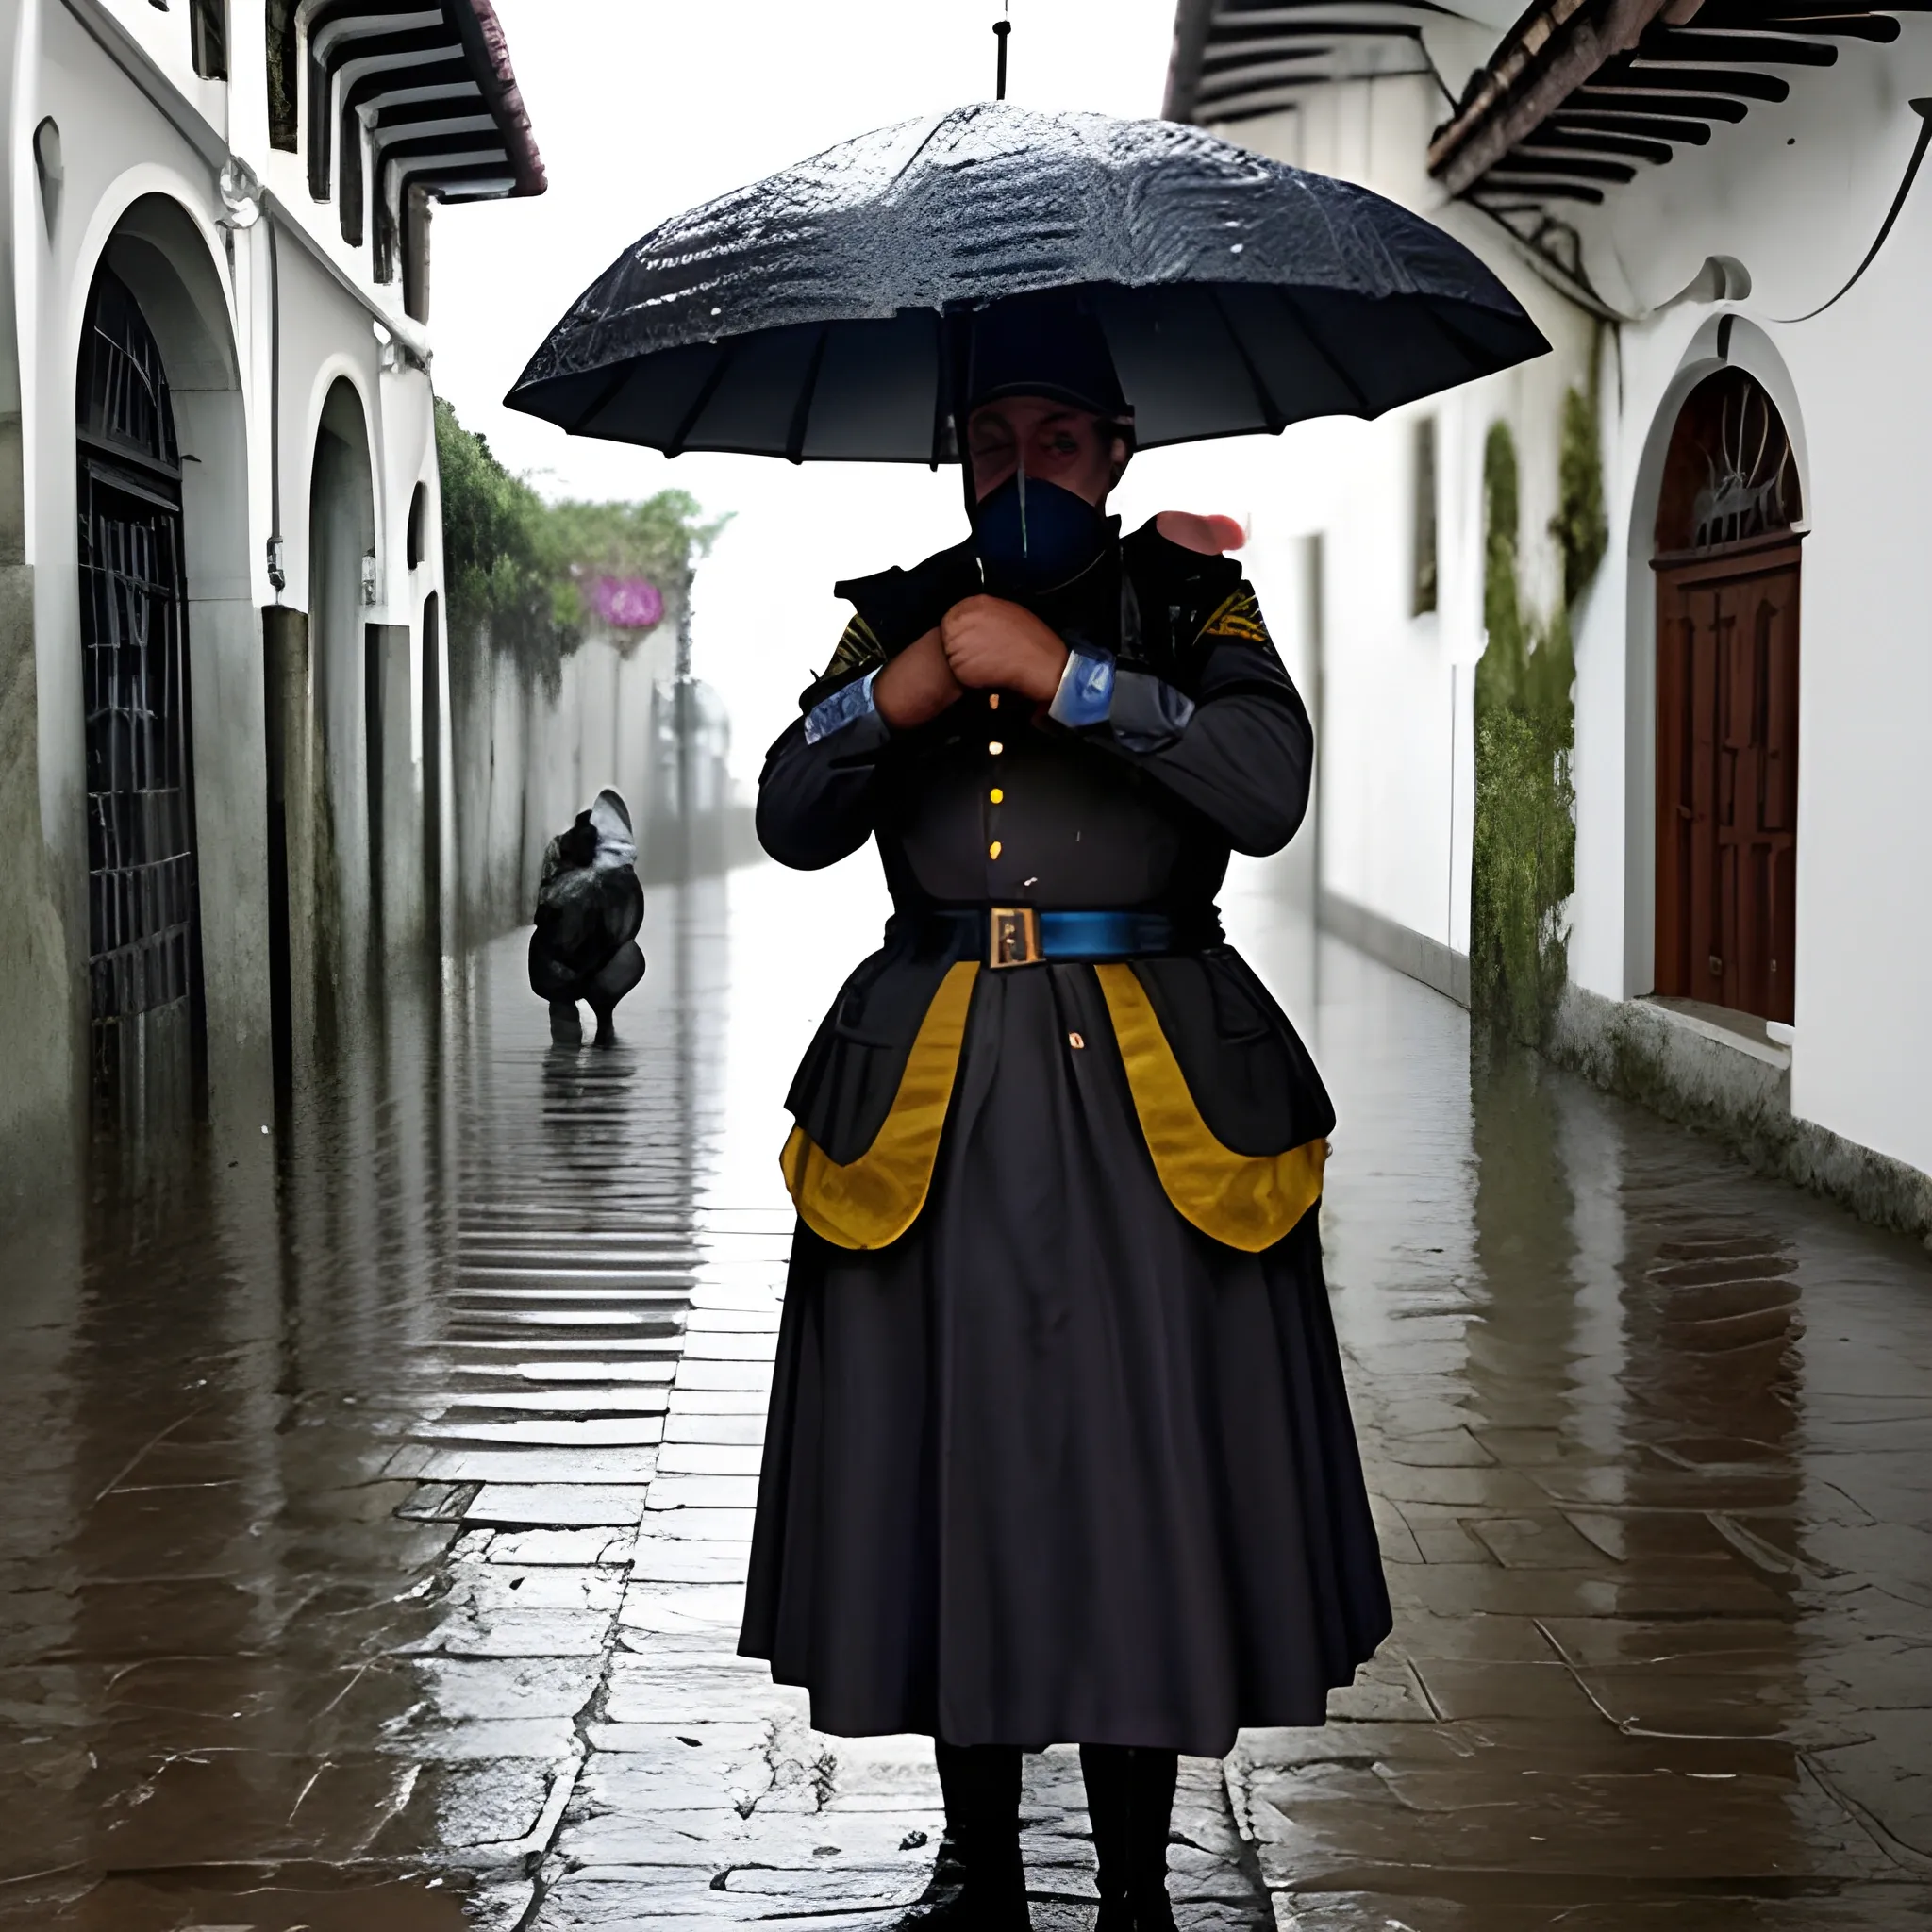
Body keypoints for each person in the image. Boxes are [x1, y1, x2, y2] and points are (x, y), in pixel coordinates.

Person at [739, 295, 1391, 1931]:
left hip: (1154, 1086)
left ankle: (1130, 1886)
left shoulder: (1190, 600)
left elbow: (1264, 789)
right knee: (946, 1464)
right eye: (987, 441)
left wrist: (1073, 676)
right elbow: (787, 817)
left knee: (1131, 1471)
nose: (1015, 467)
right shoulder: (887, 616)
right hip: (931, 1085)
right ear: (956, 457)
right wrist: (886, 701)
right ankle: (979, 1869)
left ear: (1112, 452)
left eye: (1050, 439)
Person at [527, 787, 644, 1044]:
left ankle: (569, 1051)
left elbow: (543, 911)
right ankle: (601, 1027)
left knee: (563, 1016)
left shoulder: (561, 859)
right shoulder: (609, 877)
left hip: (556, 966)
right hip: (568, 964)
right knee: (578, 989)